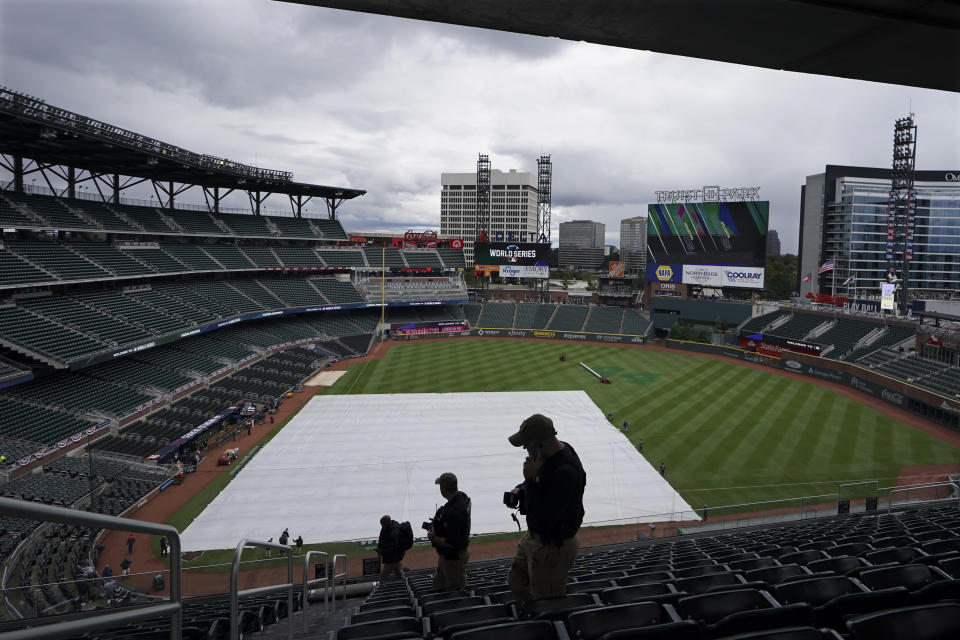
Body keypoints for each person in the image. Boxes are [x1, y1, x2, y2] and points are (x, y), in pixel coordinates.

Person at [506, 413, 586, 605]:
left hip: (552, 547)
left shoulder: (566, 472)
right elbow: (543, 481)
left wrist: (532, 480)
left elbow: (544, 517)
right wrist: (523, 487)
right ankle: (529, 616)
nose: (526, 449)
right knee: (517, 581)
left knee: (547, 602)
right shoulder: (549, 454)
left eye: (527, 444)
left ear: (541, 442)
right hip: (536, 538)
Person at [428, 472, 471, 590]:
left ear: (443, 490)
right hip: (455, 554)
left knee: (456, 591)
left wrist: (433, 537)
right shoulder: (462, 496)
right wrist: (440, 522)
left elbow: (452, 542)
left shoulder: (453, 513)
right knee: (439, 583)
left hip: (453, 558)